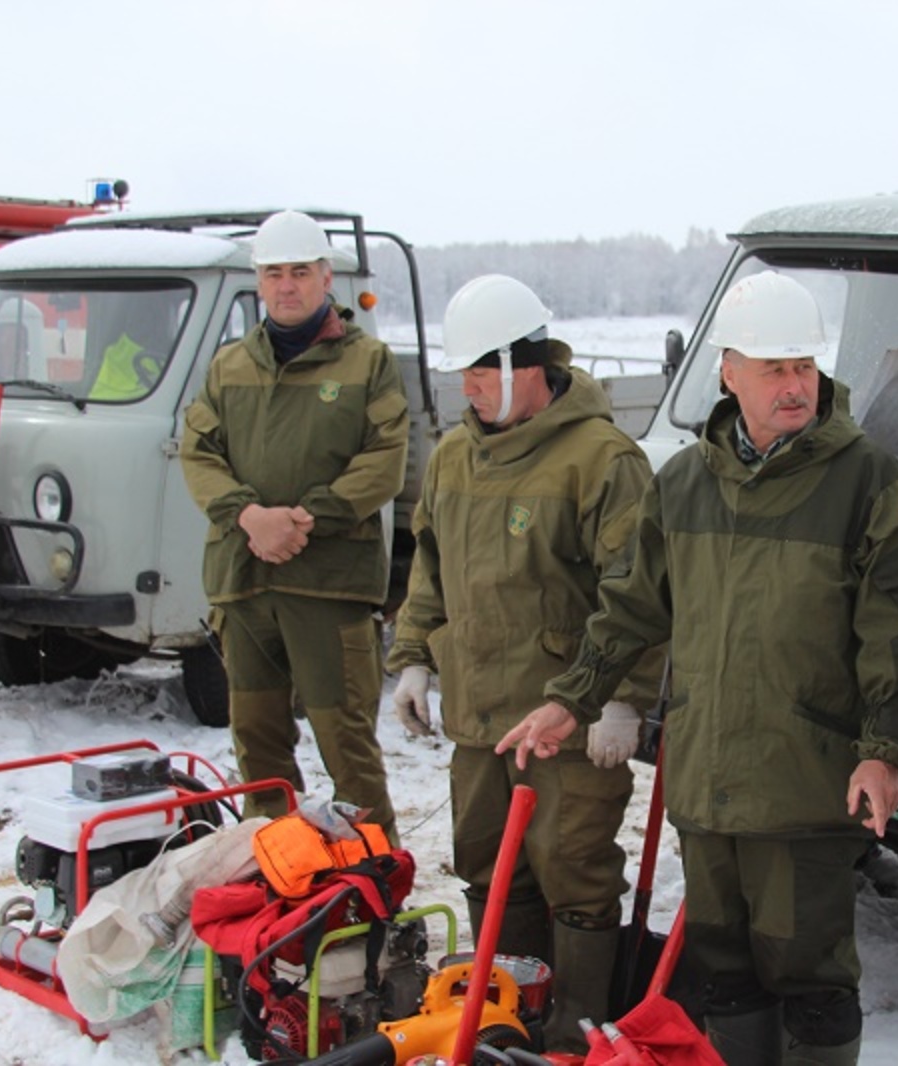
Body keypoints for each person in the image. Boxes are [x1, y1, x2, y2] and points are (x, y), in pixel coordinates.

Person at [495, 270, 898, 1066]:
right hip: (706, 784)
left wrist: (883, 749)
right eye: (774, 369)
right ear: (728, 372)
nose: (794, 386)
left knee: (811, 980)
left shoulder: (865, 480)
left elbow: (897, 632)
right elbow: (631, 607)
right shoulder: (686, 482)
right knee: (725, 973)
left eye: (803, 366)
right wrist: (574, 699)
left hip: (804, 784)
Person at [385, 274, 658, 1052]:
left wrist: (622, 699)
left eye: (480, 370)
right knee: (489, 871)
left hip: (567, 726)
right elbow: (428, 569)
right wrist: (413, 659)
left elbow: (639, 593)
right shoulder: (451, 459)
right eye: (460, 374)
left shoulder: (602, 460)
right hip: (479, 720)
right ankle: (512, 1020)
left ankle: (574, 1034)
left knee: (574, 873)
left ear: (527, 363)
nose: (467, 388)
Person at [179, 209, 407, 842]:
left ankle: (376, 881)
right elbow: (198, 453)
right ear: (258, 281)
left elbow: (384, 462)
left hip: (327, 589)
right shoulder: (230, 367)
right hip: (244, 584)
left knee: (347, 747)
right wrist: (250, 517)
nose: (287, 285)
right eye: (274, 273)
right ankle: (281, 879)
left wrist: (305, 519)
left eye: (300, 272)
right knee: (258, 749)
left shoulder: (366, 362)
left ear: (325, 277)